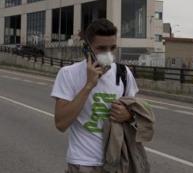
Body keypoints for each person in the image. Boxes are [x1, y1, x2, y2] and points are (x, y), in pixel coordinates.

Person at [51, 18, 139, 173]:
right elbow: (61, 123)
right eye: (101, 48)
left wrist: (128, 115)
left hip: (116, 162)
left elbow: (136, 114)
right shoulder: (68, 74)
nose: (108, 54)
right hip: (83, 162)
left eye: (112, 48)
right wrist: (89, 85)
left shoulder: (123, 73)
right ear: (87, 48)